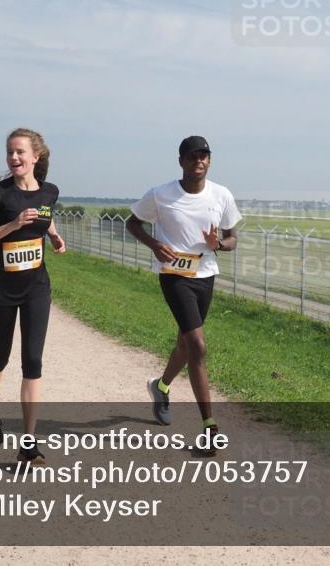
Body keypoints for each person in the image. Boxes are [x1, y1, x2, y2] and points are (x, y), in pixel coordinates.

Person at [126, 136, 241, 454]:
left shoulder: (221, 195)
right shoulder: (161, 194)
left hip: (205, 276)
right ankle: (209, 427)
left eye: (204, 156)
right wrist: (154, 245)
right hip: (174, 276)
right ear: (181, 161)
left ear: (209, 161)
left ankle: (161, 387)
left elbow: (233, 238)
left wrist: (218, 244)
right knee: (198, 346)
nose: (199, 161)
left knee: (185, 343)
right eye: (192, 156)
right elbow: (132, 223)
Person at [0, 128, 66, 465]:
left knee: (33, 362)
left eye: (20, 152)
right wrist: (11, 226)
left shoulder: (49, 192)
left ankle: (28, 442)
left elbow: (45, 216)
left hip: (36, 289)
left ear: (35, 157)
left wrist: (54, 236)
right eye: (10, 152)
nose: (14, 158)